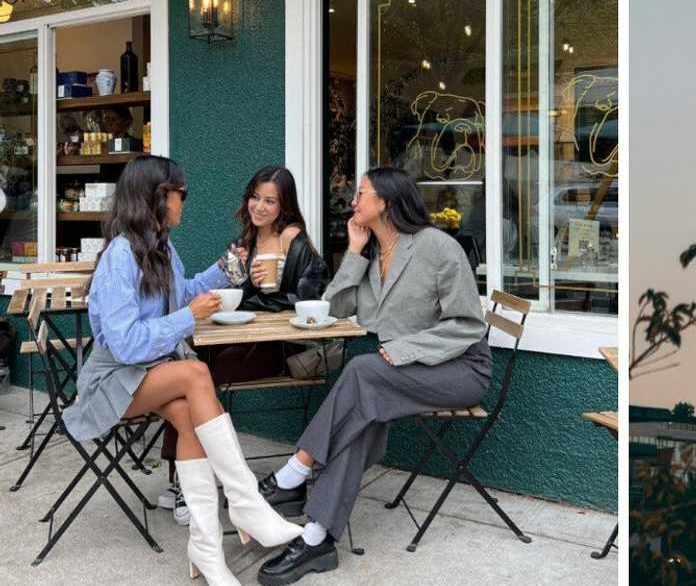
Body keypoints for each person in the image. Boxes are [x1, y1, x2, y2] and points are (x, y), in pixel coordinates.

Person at [60, 155, 301, 586]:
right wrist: (188, 317)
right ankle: (246, 504)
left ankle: (206, 551)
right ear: (158, 197)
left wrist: (226, 269)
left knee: (190, 418)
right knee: (195, 375)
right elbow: (126, 343)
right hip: (111, 382)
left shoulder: (161, 247)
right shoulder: (121, 256)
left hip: (150, 373)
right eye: (180, 193)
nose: (184, 201)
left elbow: (181, 295)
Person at [256, 166, 491, 585]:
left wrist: (402, 351)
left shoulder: (438, 248)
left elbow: (468, 325)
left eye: (361, 193)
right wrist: (353, 251)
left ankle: (296, 470)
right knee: (362, 409)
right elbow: (336, 306)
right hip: (406, 372)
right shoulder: (372, 253)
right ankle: (317, 538)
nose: (352, 200)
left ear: (385, 202)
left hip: (459, 369)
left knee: (363, 371)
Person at [156, 166, 330, 523]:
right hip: (239, 339)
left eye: (270, 201)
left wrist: (279, 282)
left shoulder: (291, 239)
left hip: (278, 348)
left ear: (285, 206)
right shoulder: (245, 242)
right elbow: (232, 292)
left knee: (196, 376)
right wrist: (236, 277)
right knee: (184, 371)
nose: (260, 207)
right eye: (255, 197)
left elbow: (313, 293)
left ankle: (187, 483)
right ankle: (182, 479)